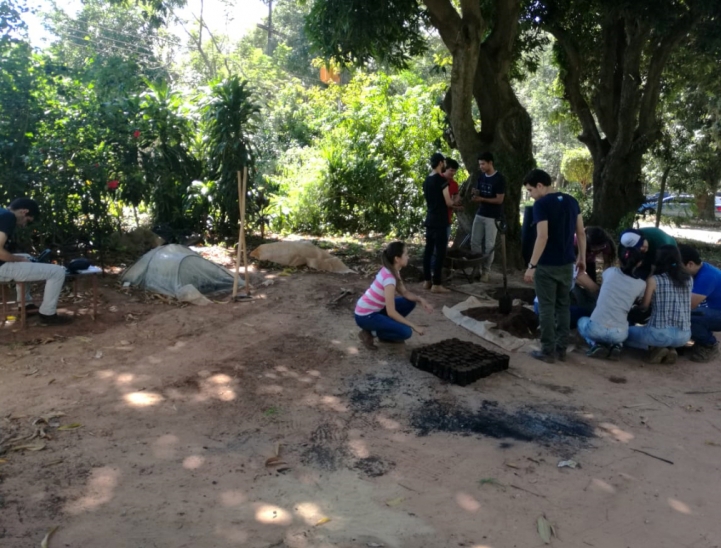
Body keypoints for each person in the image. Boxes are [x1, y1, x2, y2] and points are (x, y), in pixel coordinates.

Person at [523, 169, 586, 363]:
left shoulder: (541, 205)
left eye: (531, 190)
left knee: (547, 307)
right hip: (567, 263)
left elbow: (543, 236)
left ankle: (547, 350)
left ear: (540, 186)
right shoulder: (572, 201)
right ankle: (561, 349)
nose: (530, 195)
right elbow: (581, 233)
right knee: (563, 306)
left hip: (547, 265)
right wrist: (581, 257)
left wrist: (532, 265)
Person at [0, 198, 70, 325]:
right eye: (28, 220)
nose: (25, 224)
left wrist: (23, 258)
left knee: (27, 257)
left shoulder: (2, 212)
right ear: (24, 212)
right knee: (57, 272)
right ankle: (48, 315)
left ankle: (26, 305)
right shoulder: (8, 217)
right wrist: (19, 260)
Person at [355, 241, 433, 350]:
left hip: (375, 310)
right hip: (365, 316)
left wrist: (421, 300)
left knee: (409, 302)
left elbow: (405, 293)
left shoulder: (393, 271)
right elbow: (391, 312)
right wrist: (414, 326)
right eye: (406, 254)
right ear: (397, 258)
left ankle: (386, 329)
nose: (408, 257)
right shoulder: (389, 279)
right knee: (406, 332)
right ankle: (371, 333)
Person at [625, 245, 692, 364]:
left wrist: (634, 306)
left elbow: (644, 306)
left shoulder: (654, 280)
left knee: (625, 333)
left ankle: (655, 348)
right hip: (684, 336)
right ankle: (670, 349)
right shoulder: (688, 279)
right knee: (663, 335)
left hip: (659, 334)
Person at [577, 247, 646, 361]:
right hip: (619, 334)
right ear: (639, 263)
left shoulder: (609, 272)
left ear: (619, 260)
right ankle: (617, 345)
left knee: (581, 321)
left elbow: (604, 289)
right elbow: (638, 302)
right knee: (622, 329)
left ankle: (595, 344)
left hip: (595, 329)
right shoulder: (641, 284)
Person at [678, 244, 721, 362]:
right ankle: (698, 337)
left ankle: (709, 345)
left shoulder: (707, 277)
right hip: (713, 309)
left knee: (689, 316)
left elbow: (689, 306)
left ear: (690, 264)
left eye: (679, 266)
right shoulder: (698, 272)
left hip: (718, 313)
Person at [470, 152, 505, 282]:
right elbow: (478, 192)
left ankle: (486, 271)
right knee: (475, 242)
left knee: (489, 245)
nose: (481, 166)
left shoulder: (499, 178)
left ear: (491, 163)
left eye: (483, 164)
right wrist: (475, 194)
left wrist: (482, 198)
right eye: (480, 164)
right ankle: (476, 268)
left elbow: (499, 200)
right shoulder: (481, 177)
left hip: (493, 216)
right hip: (480, 213)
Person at [422, 153, 454, 293]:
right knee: (440, 252)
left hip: (430, 218)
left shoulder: (426, 180)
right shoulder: (441, 181)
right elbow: (448, 202)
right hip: (441, 220)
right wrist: (456, 202)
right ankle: (437, 284)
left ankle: (427, 280)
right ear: (441, 163)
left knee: (428, 250)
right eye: (444, 163)